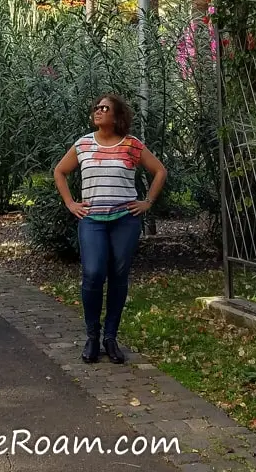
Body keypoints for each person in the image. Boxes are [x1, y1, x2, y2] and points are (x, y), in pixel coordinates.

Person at [53, 93, 167, 365]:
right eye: (96, 107)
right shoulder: (83, 144)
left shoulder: (132, 145)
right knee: (92, 274)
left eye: (105, 108)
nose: (98, 111)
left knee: (118, 274)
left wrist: (147, 202)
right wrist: (71, 203)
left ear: (117, 117)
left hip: (124, 221)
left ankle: (110, 338)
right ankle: (92, 336)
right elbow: (60, 171)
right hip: (92, 221)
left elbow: (160, 171)